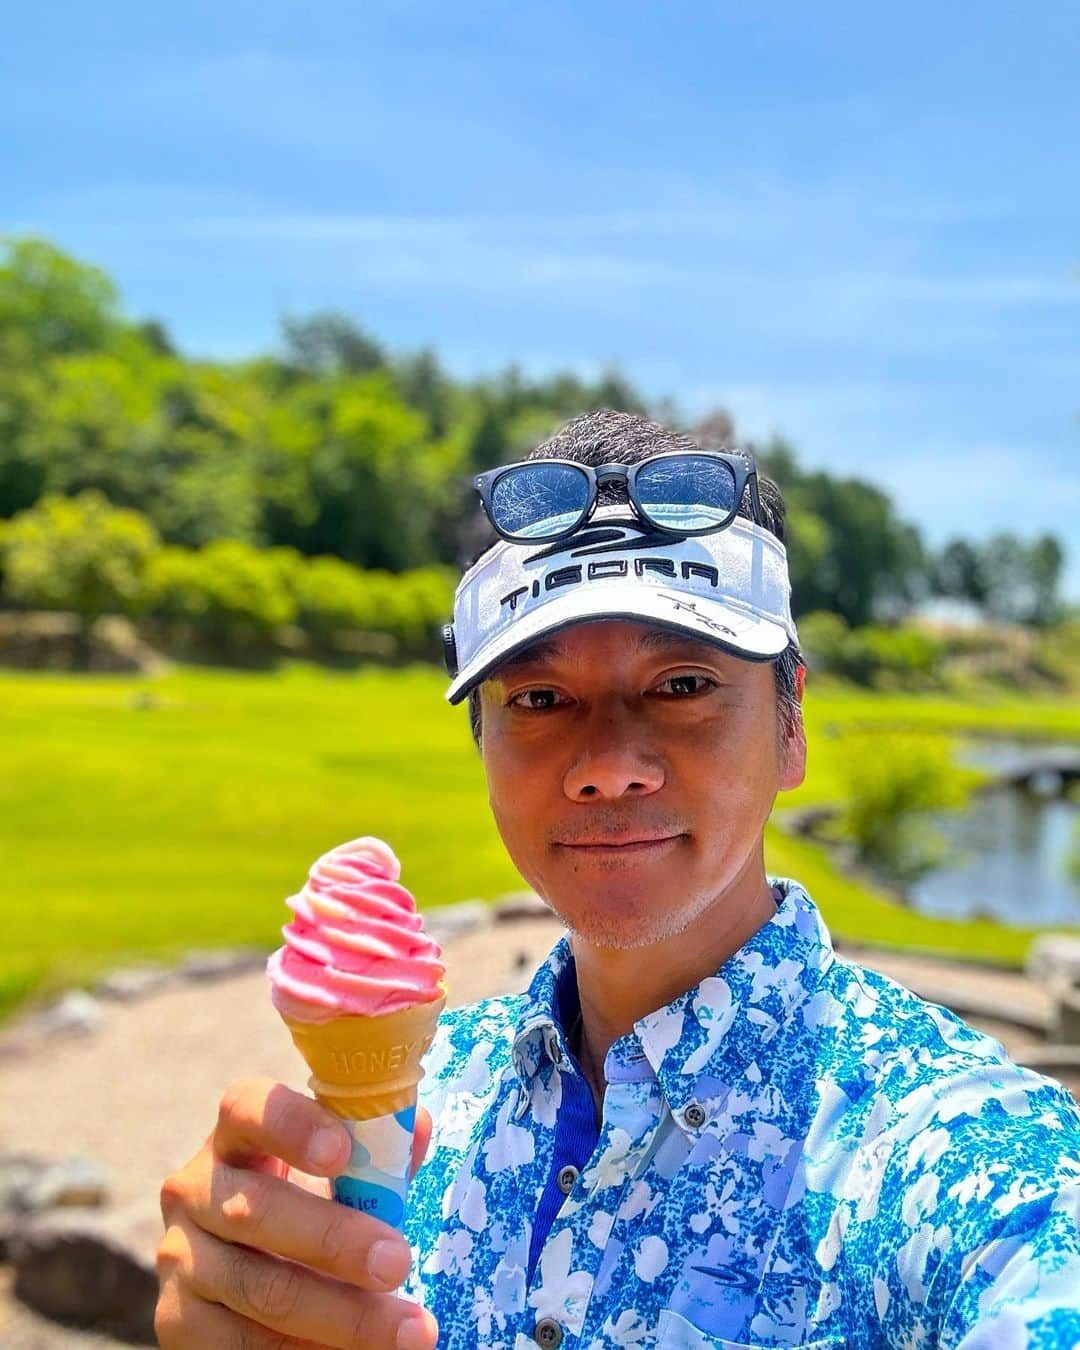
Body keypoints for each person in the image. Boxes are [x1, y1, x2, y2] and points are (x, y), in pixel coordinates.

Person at [155, 411, 1080, 1349]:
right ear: (483, 744)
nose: (607, 764)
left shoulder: (953, 1157)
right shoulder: (424, 1103)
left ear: (791, 724)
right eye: (541, 698)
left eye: (682, 684)